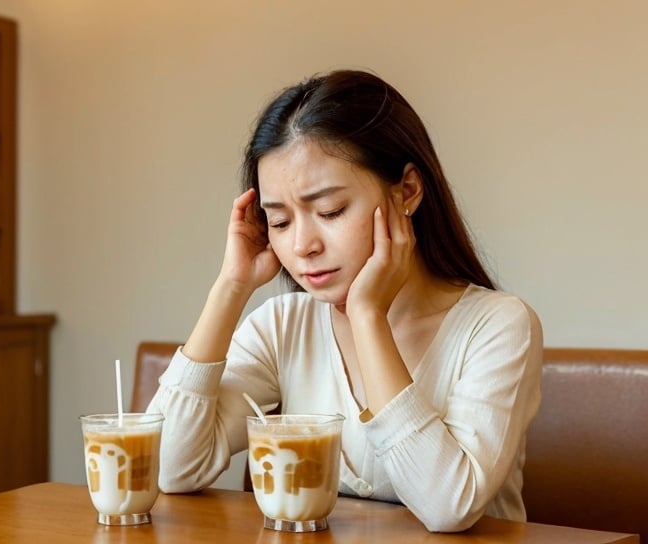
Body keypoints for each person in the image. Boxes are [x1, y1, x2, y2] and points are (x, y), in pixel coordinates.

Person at [147, 69, 543, 532]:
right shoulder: (282, 325)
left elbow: (447, 507)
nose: (303, 246)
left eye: (330, 211)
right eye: (279, 222)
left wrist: (367, 315)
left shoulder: (498, 326)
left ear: (408, 190)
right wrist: (231, 287)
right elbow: (167, 467)